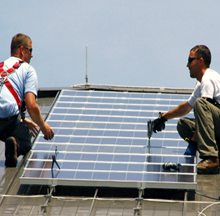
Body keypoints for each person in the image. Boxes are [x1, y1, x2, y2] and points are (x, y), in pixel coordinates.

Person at [153, 45, 220, 174]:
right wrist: (163, 117)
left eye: (190, 60)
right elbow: (186, 107)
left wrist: (193, 144)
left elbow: (204, 107)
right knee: (183, 125)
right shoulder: (200, 84)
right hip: (217, 124)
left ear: (200, 61)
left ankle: (211, 158)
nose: (187, 65)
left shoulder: (208, 78)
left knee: (201, 104)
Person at [0, 33, 54, 167]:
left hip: (7, 116)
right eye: (30, 50)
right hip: (9, 118)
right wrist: (43, 126)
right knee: (26, 142)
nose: (32, 55)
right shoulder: (27, 70)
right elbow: (32, 106)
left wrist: (23, 120)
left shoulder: (1, 66)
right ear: (22, 50)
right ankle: (16, 145)